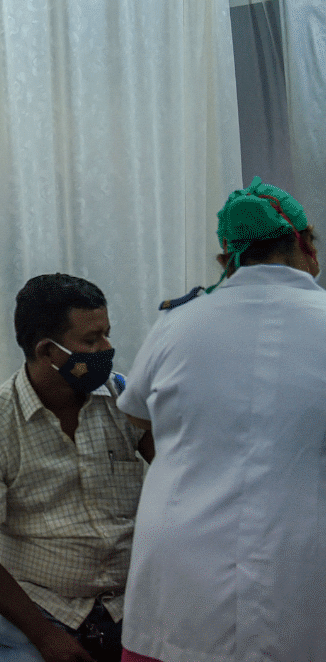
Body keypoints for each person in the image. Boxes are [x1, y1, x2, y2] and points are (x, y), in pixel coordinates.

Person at [116, 179, 326, 662]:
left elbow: (137, 418)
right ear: (306, 244)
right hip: (300, 566)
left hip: (183, 572)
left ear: (226, 259)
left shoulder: (176, 323)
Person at [0, 273, 154, 662]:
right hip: (41, 613)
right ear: (48, 351)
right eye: (91, 341)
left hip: (133, 605)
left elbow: (177, 472)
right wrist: (45, 638)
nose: (107, 349)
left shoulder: (124, 400)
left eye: (107, 335)